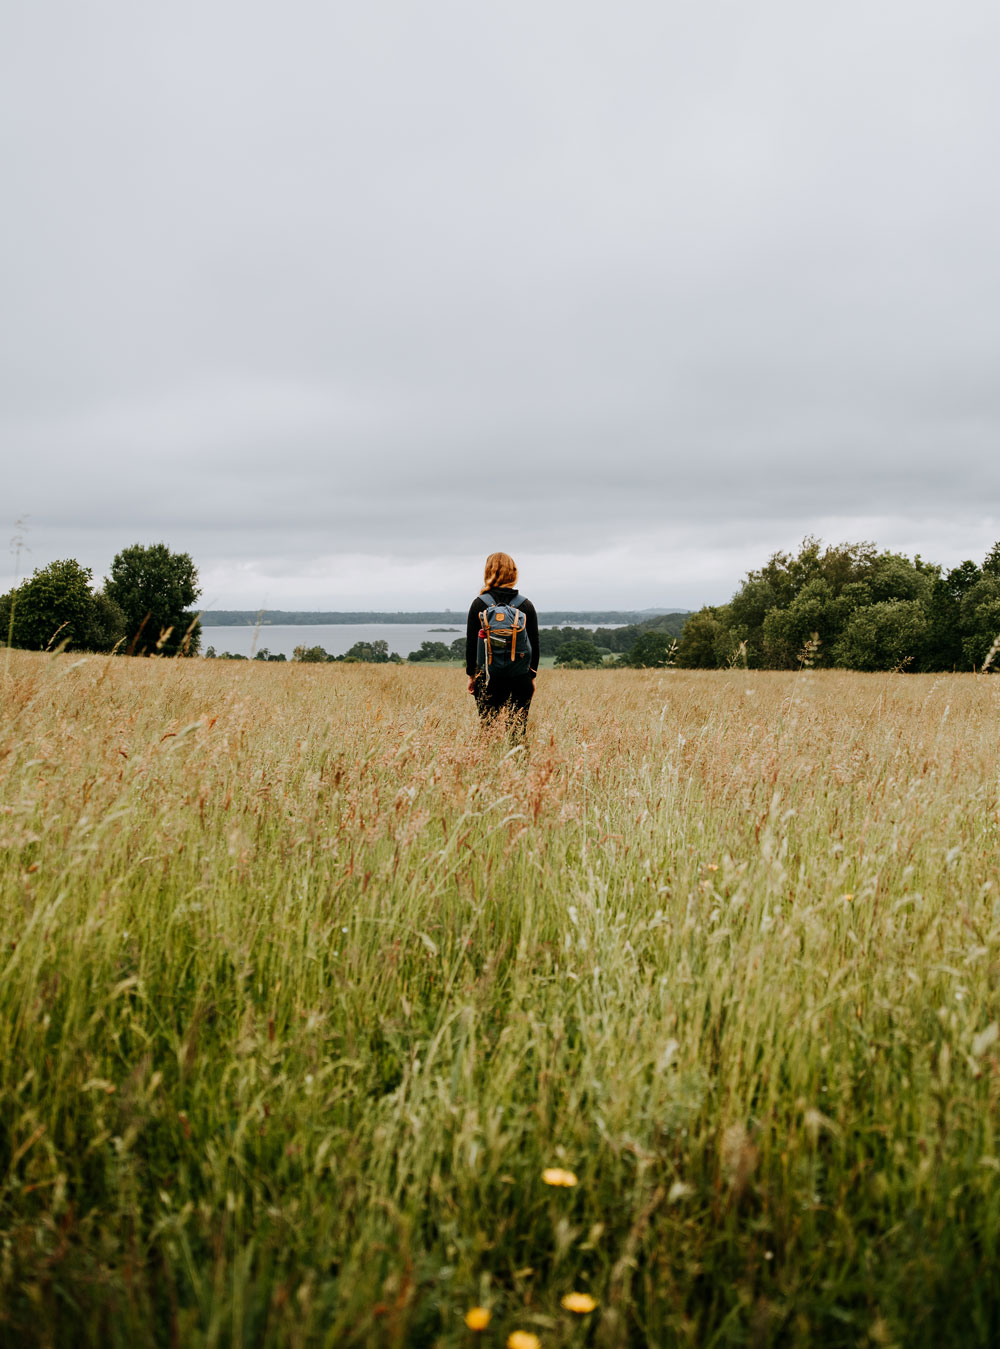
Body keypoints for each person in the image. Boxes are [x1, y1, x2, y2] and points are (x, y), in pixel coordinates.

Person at [466, 552, 539, 737]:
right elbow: (535, 645)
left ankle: (490, 765)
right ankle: (517, 765)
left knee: (488, 734)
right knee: (517, 734)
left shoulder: (478, 604)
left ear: (487, 572)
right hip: (520, 678)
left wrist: (472, 676)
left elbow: (471, 645)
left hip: (488, 679)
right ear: (513, 573)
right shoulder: (526, 605)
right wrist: (531, 676)